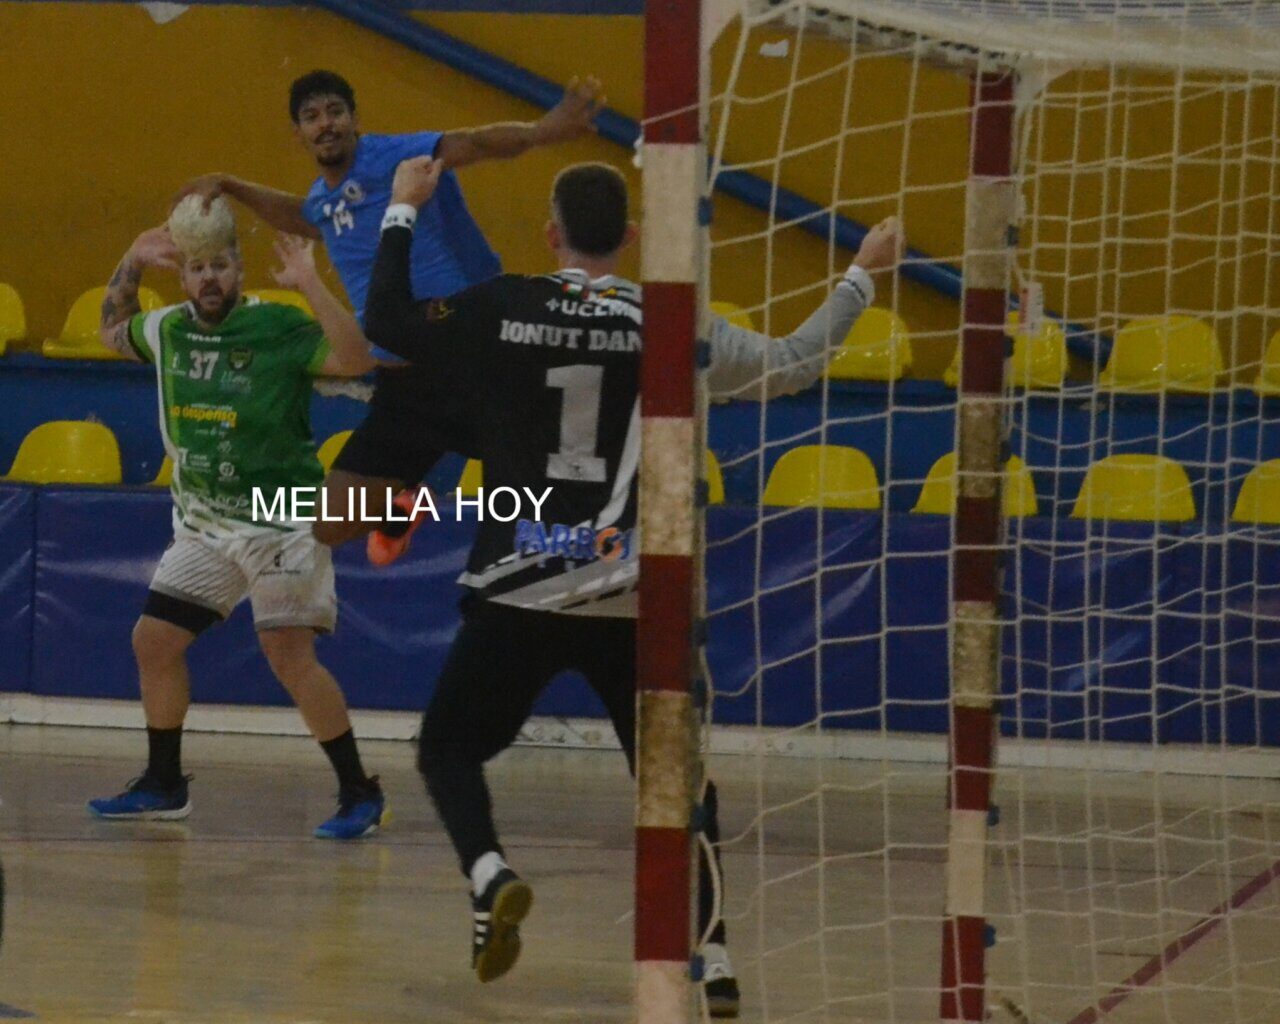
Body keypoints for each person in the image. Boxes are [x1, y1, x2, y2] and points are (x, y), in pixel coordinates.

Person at [341, 155, 902, 1010]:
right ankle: (712, 956)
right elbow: (793, 363)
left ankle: (490, 877)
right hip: (639, 590)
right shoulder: (673, 321)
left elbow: (383, 317)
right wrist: (861, 275)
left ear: (550, 232)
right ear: (632, 237)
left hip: (523, 579)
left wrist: (402, 207)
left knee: (447, 748)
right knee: (678, 786)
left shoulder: (502, 306)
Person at [179, 69, 605, 565]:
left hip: (475, 368)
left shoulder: (399, 158)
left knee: (554, 501)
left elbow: (475, 143)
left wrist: (542, 132)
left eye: (335, 112)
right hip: (404, 391)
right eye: (312, 118)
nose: (326, 124)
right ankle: (408, 498)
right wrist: (233, 186)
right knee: (330, 525)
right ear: (299, 134)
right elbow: (303, 216)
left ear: (355, 119)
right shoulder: (324, 201)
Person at [86, 200, 391, 840]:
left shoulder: (278, 326)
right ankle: (164, 785)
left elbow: (357, 361)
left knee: (287, 656)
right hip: (206, 521)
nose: (209, 278)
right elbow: (112, 331)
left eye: (220, 265)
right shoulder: (168, 328)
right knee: (154, 641)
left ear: (239, 268)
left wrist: (311, 284)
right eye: (197, 268)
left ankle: (359, 790)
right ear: (185, 277)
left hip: (283, 518)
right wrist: (131, 261)